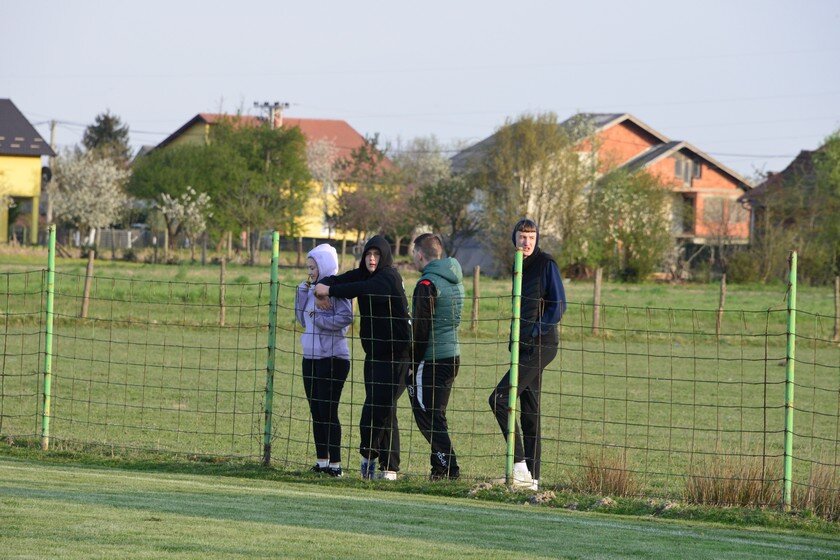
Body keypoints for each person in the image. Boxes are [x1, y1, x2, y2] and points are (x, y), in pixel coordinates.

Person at [314, 236, 411, 481]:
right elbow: (337, 280)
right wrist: (320, 291)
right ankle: (389, 469)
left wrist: (329, 291)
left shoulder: (388, 277)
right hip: (374, 356)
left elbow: (361, 289)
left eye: (377, 255)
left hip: (398, 356)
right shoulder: (363, 274)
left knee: (377, 410)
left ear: (385, 257)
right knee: (385, 409)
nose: (372, 259)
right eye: (369, 254)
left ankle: (369, 457)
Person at [488, 219, 566, 490]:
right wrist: (517, 339)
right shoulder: (518, 265)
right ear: (515, 239)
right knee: (530, 412)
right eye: (522, 237)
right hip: (524, 346)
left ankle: (520, 466)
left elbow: (559, 305)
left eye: (531, 237)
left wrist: (535, 330)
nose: (527, 242)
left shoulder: (546, 263)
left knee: (499, 399)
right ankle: (533, 479)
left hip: (542, 344)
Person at [294, 244, 353, 477]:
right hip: (310, 357)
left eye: (313, 267)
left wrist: (319, 319)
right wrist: (302, 294)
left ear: (325, 266)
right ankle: (322, 462)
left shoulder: (335, 290)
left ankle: (336, 465)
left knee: (328, 410)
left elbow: (346, 318)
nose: (310, 272)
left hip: (333, 358)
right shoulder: (311, 291)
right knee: (316, 410)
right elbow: (302, 320)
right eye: (308, 268)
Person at [409, 233, 464, 480]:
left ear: (420, 254)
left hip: (431, 357)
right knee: (437, 414)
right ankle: (440, 470)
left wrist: (412, 363)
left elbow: (421, 329)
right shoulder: (455, 279)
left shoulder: (426, 284)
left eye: (413, 253)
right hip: (453, 355)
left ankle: (450, 467)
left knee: (425, 413)